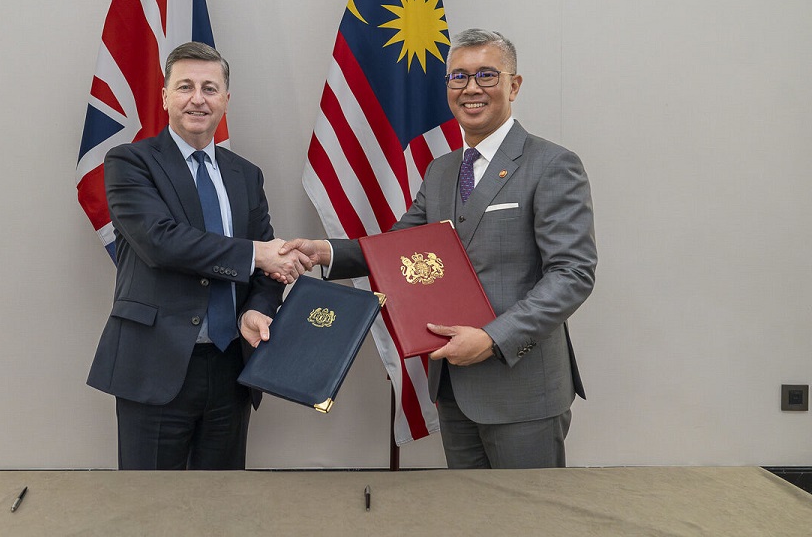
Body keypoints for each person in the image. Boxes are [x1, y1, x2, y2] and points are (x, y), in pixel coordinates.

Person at [279, 29, 597, 469]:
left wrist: (492, 338)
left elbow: (572, 274)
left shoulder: (552, 164)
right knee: (466, 520)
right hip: (454, 390)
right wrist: (325, 253)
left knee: (528, 523)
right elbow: (400, 247)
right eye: (458, 77)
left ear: (514, 85)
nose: (471, 88)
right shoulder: (443, 169)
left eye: (486, 75)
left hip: (523, 391)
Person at [87, 41, 311, 470]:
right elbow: (160, 241)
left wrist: (258, 308)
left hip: (231, 366)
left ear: (225, 99)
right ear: (165, 96)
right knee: (148, 507)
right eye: (185, 86)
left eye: (210, 88)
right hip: (156, 363)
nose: (197, 98)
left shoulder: (245, 174)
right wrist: (256, 256)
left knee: (221, 506)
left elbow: (266, 264)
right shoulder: (130, 163)